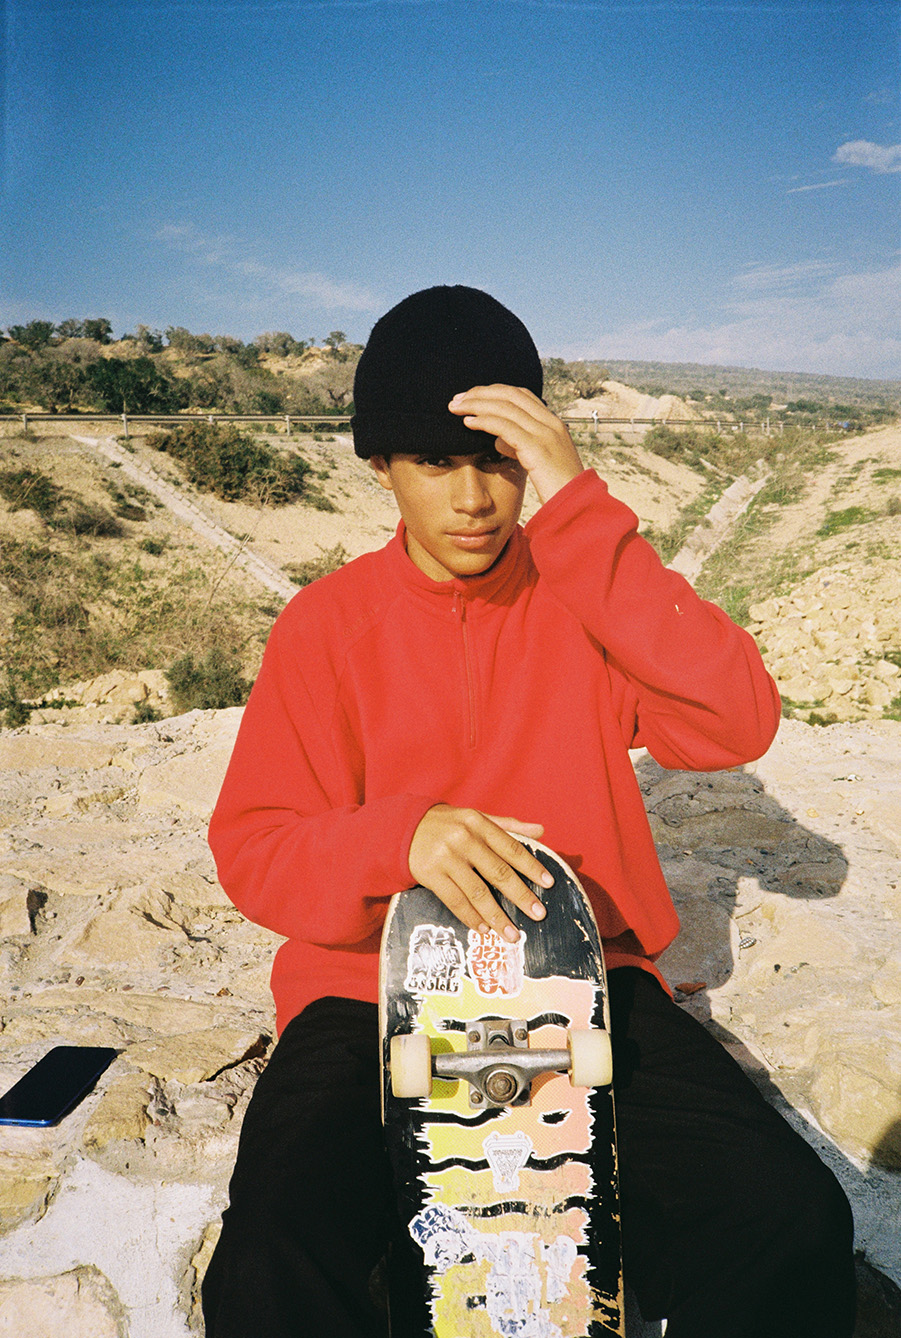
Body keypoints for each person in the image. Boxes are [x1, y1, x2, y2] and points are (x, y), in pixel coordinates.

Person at [201, 286, 855, 1338]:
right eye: (435, 462)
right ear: (378, 466)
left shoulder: (585, 599)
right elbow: (256, 847)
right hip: (365, 995)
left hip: (588, 983)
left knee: (788, 1220)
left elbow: (735, 720)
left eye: (499, 461)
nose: (473, 498)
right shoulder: (324, 628)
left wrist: (581, 510)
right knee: (273, 1255)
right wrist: (398, 835)